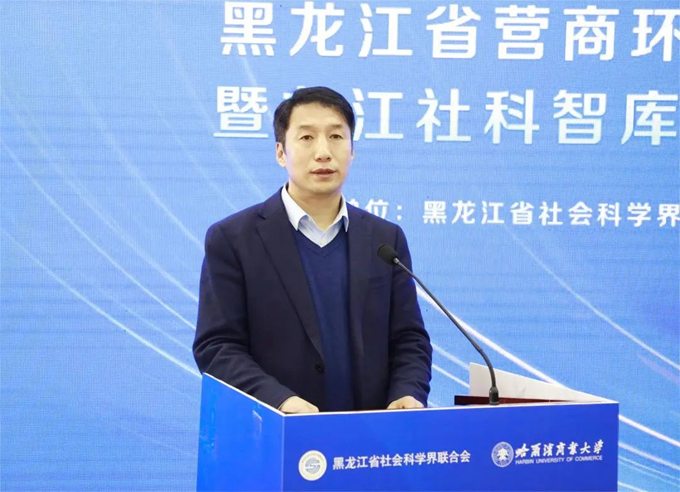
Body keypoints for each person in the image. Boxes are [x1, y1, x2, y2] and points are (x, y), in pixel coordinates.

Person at [193, 87, 432, 414]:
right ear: (281, 153)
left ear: (352, 150)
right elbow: (217, 347)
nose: (323, 152)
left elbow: (409, 339)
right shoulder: (233, 239)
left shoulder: (384, 240)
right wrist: (280, 401)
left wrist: (408, 391)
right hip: (277, 431)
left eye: (336, 137)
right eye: (306, 138)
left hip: (370, 433)